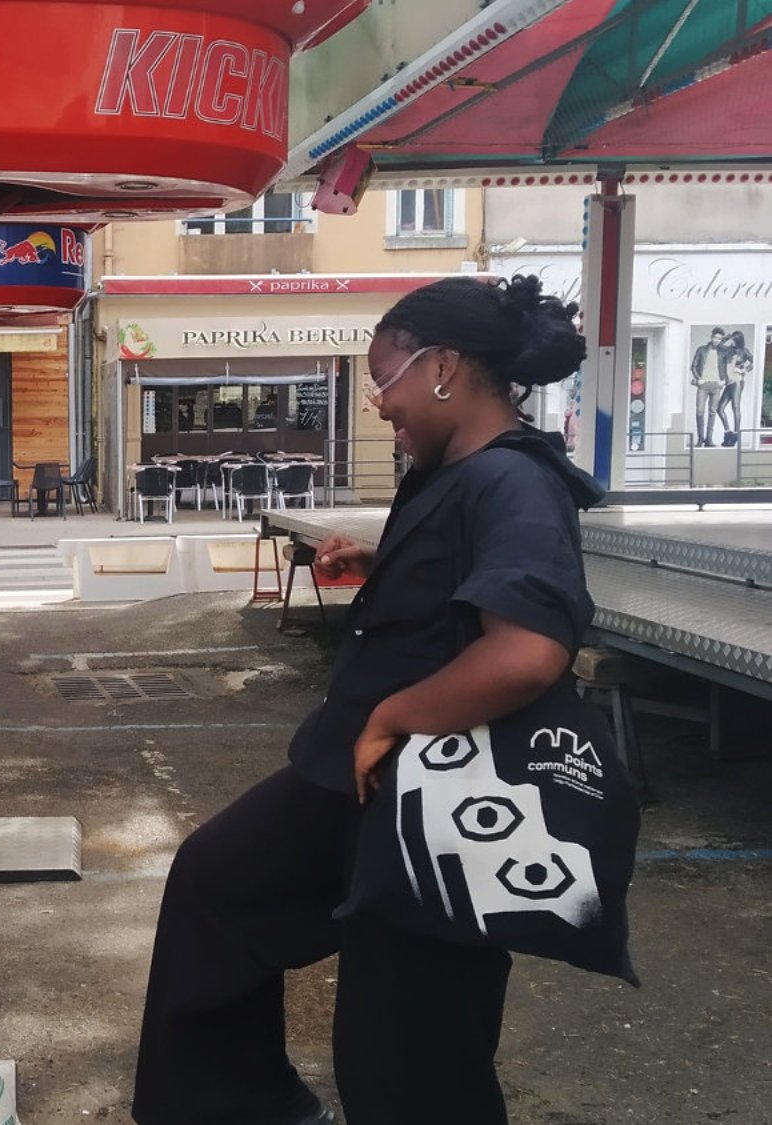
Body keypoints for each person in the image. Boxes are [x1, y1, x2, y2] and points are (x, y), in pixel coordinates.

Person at [132, 276, 602, 1125]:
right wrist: (377, 574)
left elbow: (527, 648)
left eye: (386, 378)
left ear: (446, 366)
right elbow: (458, 592)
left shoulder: (516, 481)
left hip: (436, 803)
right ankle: (237, 1104)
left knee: (406, 1053)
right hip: (353, 778)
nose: (380, 402)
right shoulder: (452, 471)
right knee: (217, 885)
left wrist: (391, 715)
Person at [691, 327, 726, 446]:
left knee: (712, 412)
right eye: (715, 337)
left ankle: (709, 439)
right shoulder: (701, 350)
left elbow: (727, 367)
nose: (717, 340)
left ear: (721, 340)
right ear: (711, 337)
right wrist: (698, 378)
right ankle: (701, 438)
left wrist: (724, 380)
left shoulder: (723, 352)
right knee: (700, 411)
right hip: (704, 385)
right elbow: (694, 366)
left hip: (716, 386)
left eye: (719, 339)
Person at [717, 329, 752, 447]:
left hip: (737, 382)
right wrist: (727, 337)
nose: (733, 342)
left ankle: (736, 435)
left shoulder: (744, 351)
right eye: (732, 340)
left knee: (735, 407)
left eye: (735, 341)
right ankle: (728, 433)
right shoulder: (729, 349)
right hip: (728, 382)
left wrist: (743, 370)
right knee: (719, 408)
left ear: (739, 341)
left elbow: (753, 362)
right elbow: (719, 345)